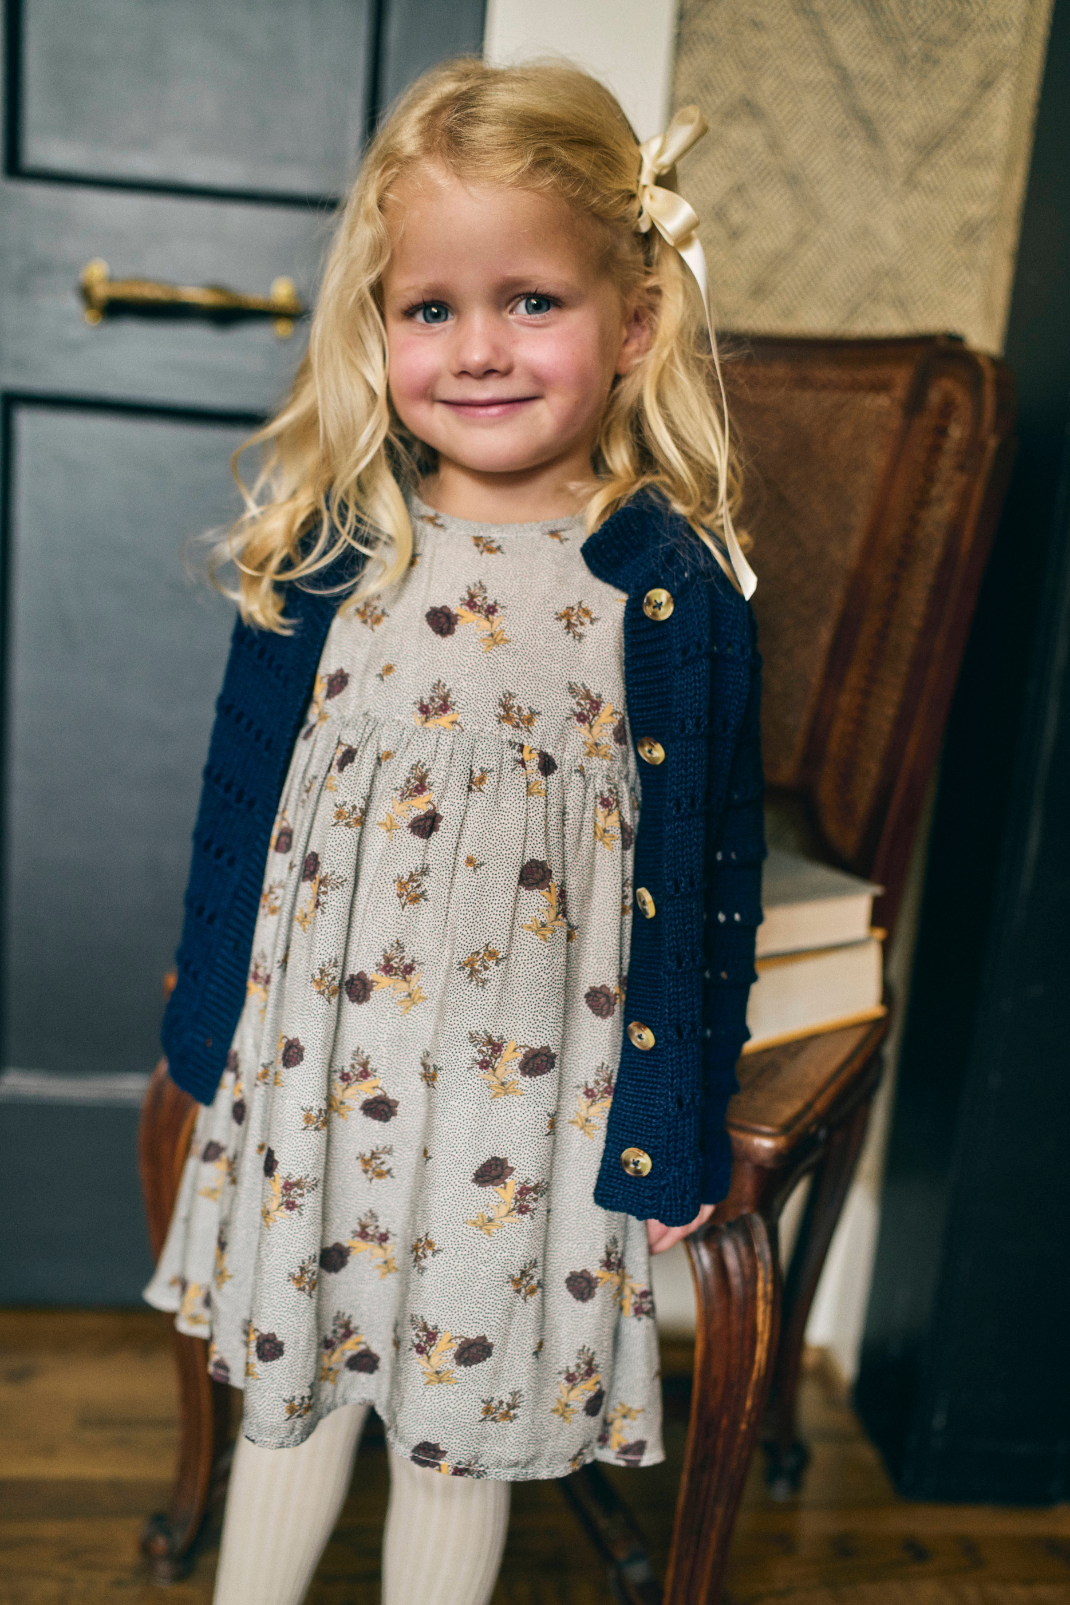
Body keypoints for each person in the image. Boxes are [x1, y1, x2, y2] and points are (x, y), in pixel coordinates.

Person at [145, 56, 764, 1605]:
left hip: (522, 1118)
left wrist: (678, 1110)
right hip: (315, 1083)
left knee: (453, 1430)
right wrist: (203, 1017)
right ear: (374, 327)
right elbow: (239, 815)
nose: (478, 349)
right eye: (430, 309)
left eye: (530, 302)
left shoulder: (668, 590)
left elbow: (704, 882)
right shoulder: (329, 552)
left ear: (632, 321)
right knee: (291, 1394)